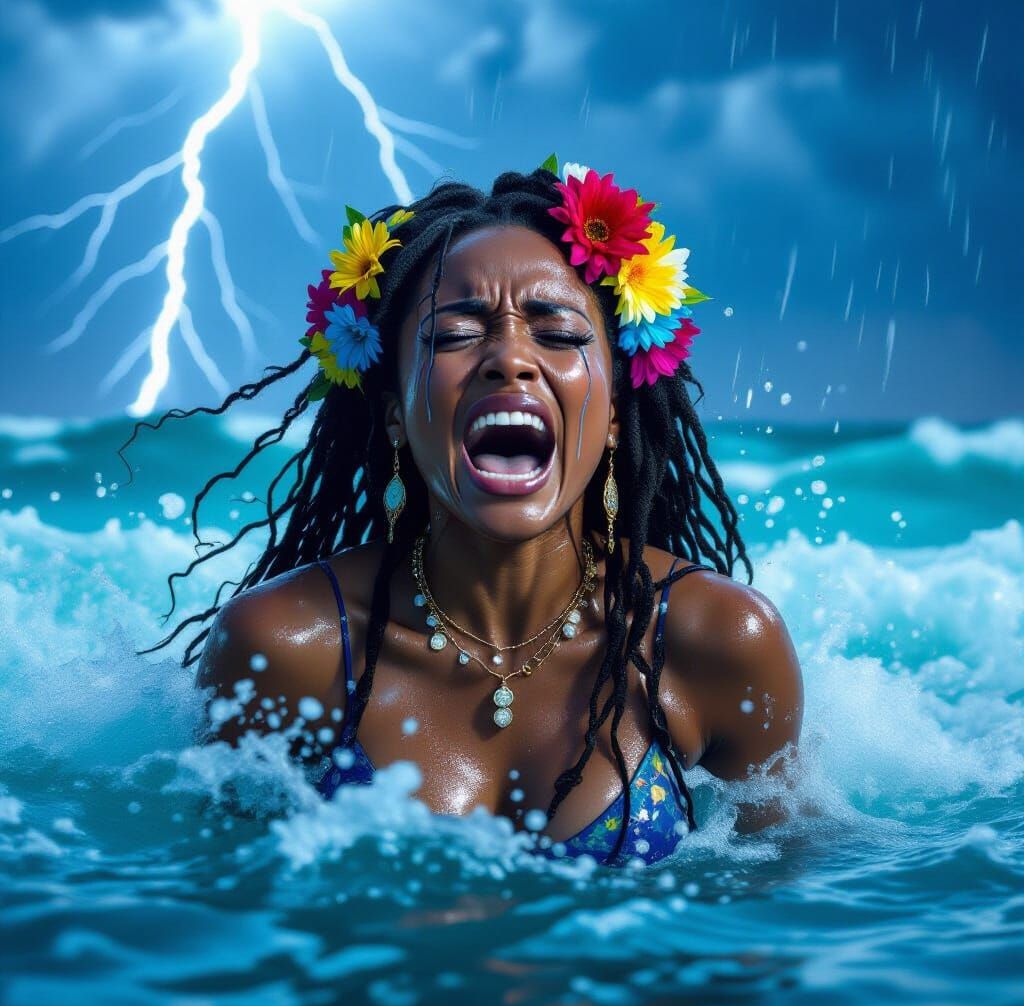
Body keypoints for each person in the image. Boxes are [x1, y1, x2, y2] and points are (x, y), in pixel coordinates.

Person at [138, 162, 803, 867]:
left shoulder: (718, 643)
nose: (510, 358)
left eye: (560, 335)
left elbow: (777, 911)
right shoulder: (287, 647)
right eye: (453, 334)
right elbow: (220, 909)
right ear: (394, 411)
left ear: (613, 413)